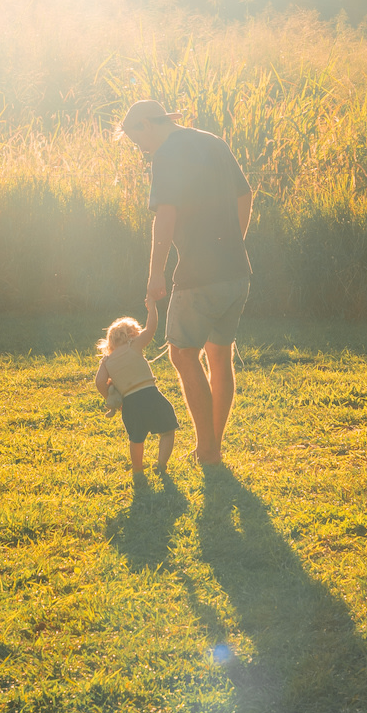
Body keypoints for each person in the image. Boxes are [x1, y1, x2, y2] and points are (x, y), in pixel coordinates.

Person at [119, 99, 252, 466]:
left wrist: (156, 272)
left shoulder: (166, 154)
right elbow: (245, 195)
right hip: (236, 272)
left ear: (147, 125)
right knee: (219, 356)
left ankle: (207, 450)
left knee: (181, 354)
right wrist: (234, 243)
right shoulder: (213, 142)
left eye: (138, 141)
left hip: (198, 276)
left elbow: (165, 215)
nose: (142, 150)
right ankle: (211, 447)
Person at [95, 298, 179, 475]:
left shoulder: (107, 361)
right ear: (132, 334)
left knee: (136, 438)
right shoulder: (133, 345)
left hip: (130, 403)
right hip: (150, 395)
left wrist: (111, 398)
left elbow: (99, 382)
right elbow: (151, 328)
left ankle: (137, 469)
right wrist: (152, 308)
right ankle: (161, 464)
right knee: (167, 430)